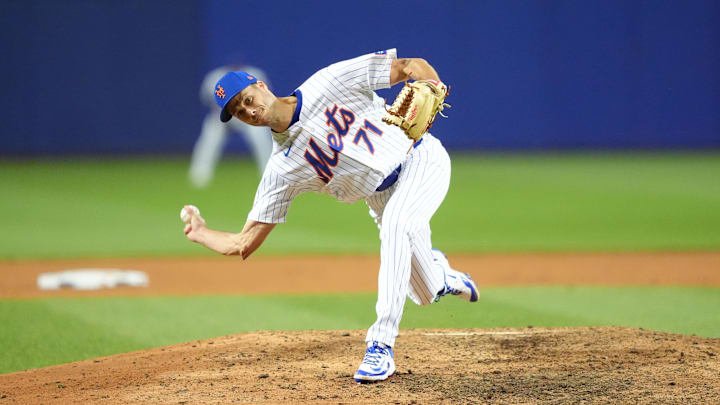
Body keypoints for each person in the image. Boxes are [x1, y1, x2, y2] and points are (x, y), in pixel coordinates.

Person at [182, 49, 479, 383]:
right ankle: (442, 277)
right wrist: (202, 233)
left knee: (397, 225)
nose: (249, 111)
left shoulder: (328, 81)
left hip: (420, 160)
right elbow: (244, 242)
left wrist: (431, 83)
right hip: (380, 198)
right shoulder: (281, 169)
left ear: (262, 86)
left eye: (247, 99)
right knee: (424, 292)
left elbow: (409, 66)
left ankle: (380, 345)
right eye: (238, 111)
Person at [189, 65, 273, 188]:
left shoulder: (255, 75)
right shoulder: (215, 77)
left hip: (249, 114)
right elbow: (206, 98)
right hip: (222, 114)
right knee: (209, 141)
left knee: (261, 140)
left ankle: (269, 175)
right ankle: (199, 176)